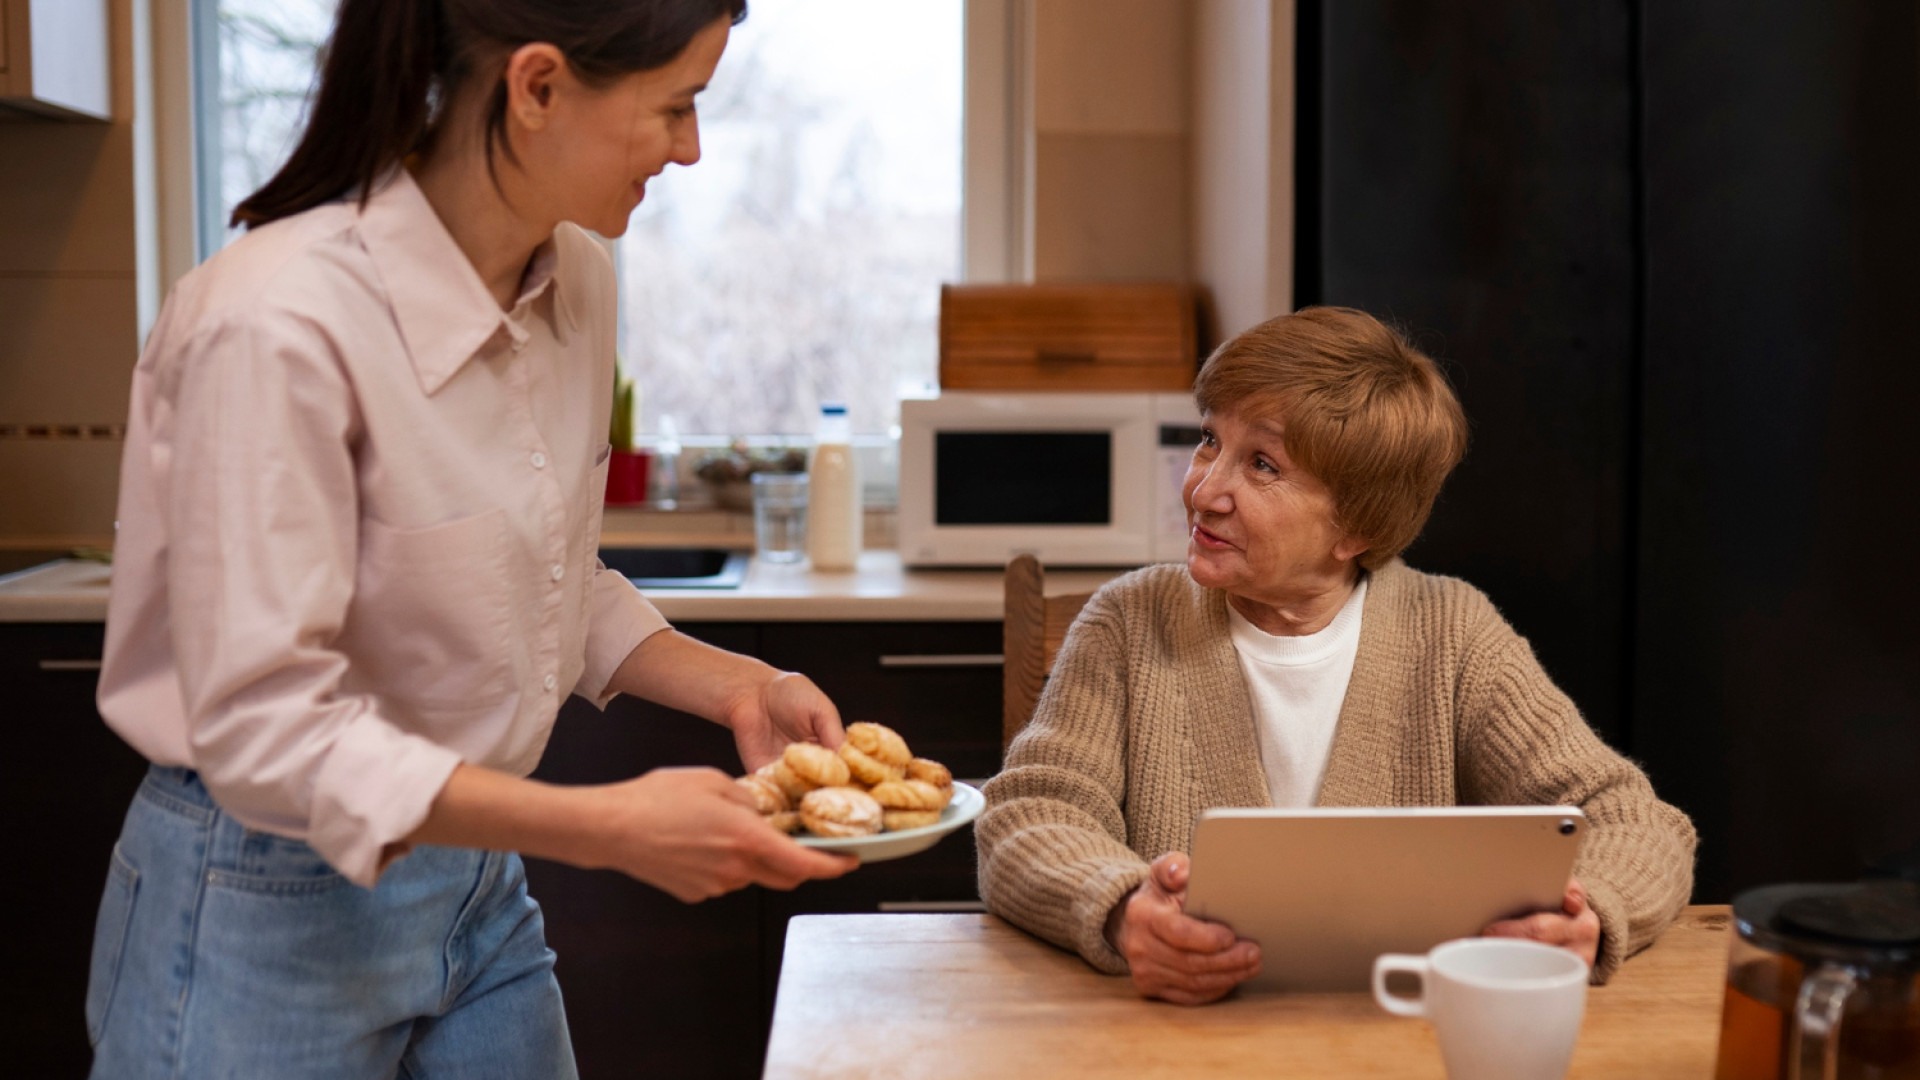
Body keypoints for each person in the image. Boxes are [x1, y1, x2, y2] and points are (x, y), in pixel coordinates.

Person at [84, 2, 855, 1076]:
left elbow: (536, 572)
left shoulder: (576, 277)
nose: (691, 148)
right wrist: (608, 828)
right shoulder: (274, 323)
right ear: (536, 88)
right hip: (263, 897)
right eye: (676, 105)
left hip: (474, 889)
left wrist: (737, 686)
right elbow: (269, 726)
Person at [975, 307, 1697, 1006]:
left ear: (1357, 524)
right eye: (1208, 440)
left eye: (1261, 464)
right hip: (1174, 1044)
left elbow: (1634, 820)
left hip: (1393, 1040)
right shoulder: (1128, 622)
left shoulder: (1451, 631)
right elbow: (1029, 814)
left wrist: (1591, 915)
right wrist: (1121, 909)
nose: (1202, 489)